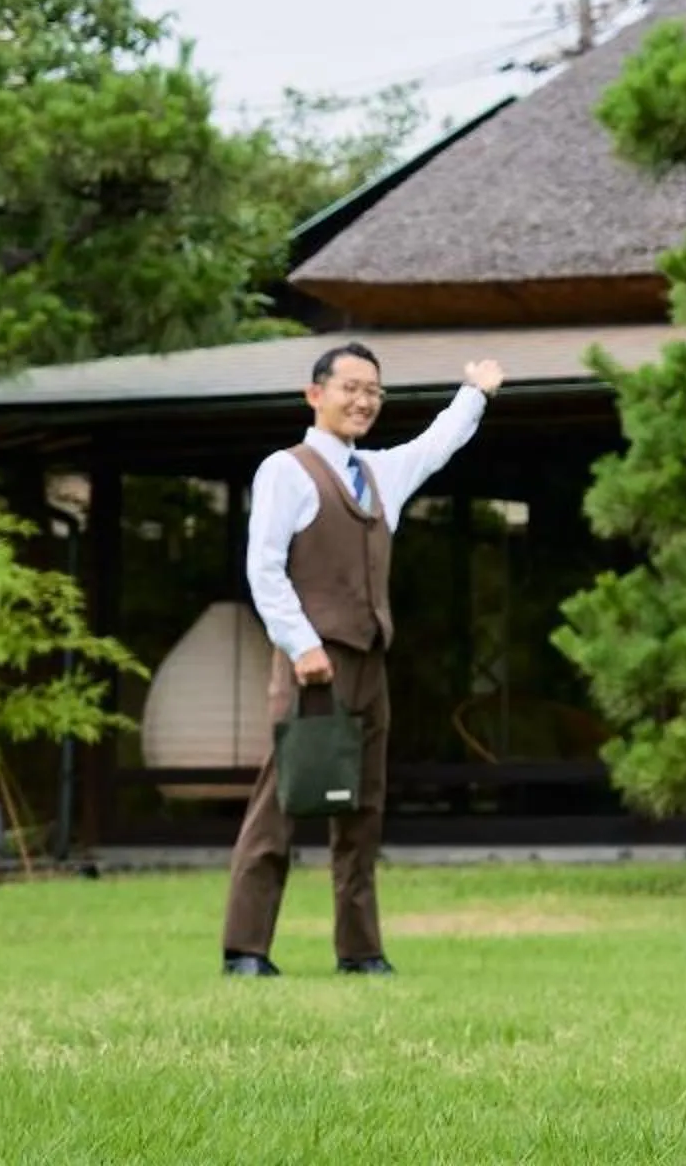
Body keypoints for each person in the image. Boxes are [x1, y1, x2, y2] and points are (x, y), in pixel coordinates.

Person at [221, 342, 505, 978]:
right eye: (350, 387)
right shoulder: (286, 471)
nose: (363, 400)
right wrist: (302, 646)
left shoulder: (378, 473)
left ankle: (360, 950)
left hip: (370, 660)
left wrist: (475, 393)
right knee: (285, 798)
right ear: (314, 394)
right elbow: (263, 568)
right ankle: (245, 948)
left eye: (374, 390)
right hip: (312, 663)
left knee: (363, 806)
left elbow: (435, 446)